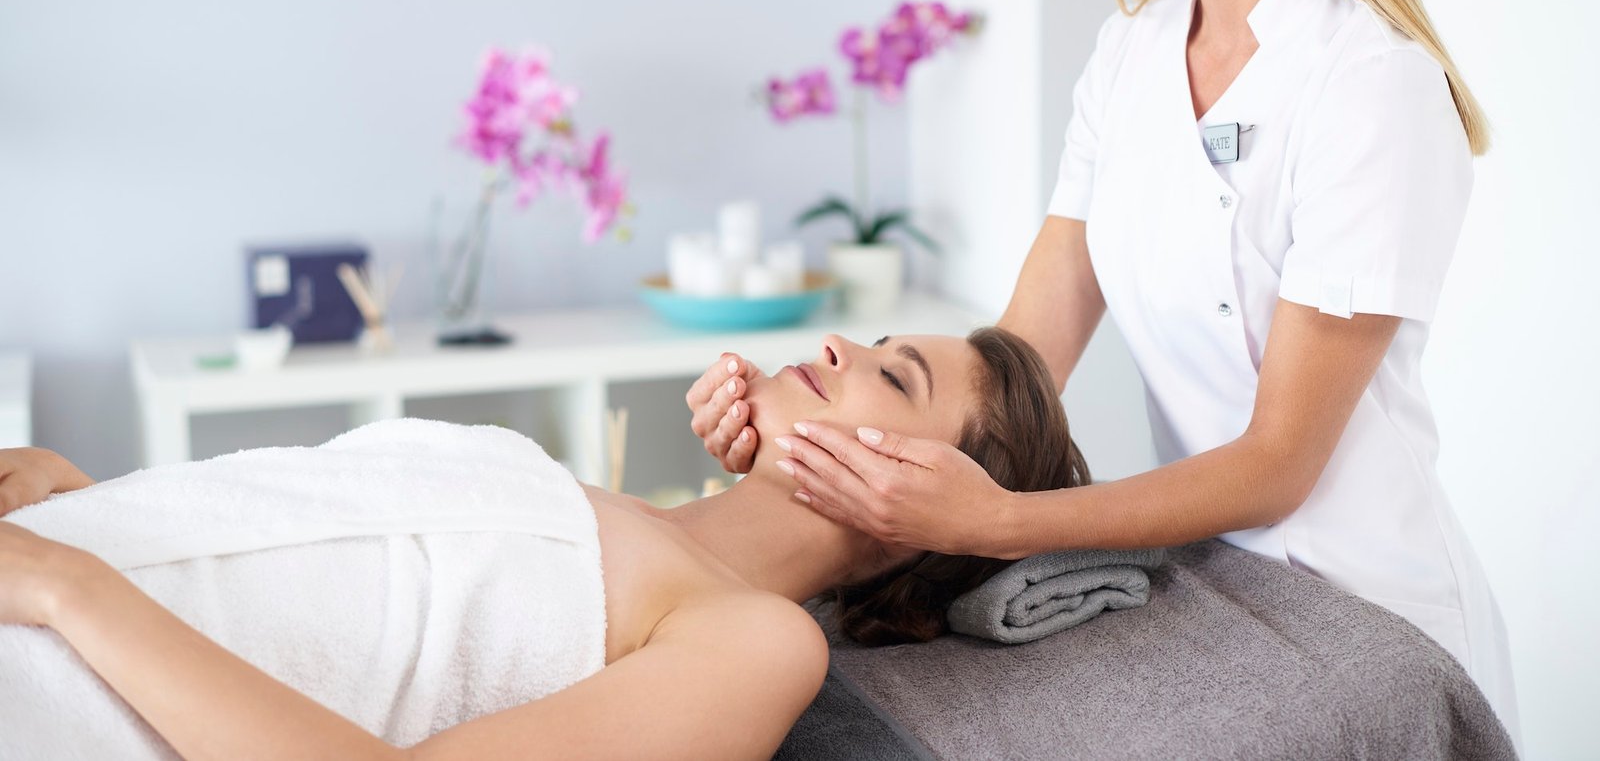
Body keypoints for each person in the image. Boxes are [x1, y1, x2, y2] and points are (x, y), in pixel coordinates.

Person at [686, 0, 1521, 749]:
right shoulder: (1131, 56)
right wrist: (808, 440)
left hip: (1361, 596)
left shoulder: (1370, 83)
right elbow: (1014, 371)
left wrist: (999, 521)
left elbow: (1279, 461)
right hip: (1205, 581)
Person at [0, 326, 1087, 760]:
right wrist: (99, 504)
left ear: (937, 511)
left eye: (895, 375)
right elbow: (319, 559)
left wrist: (75, 588)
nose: (842, 343)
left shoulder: (753, 640)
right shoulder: (590, 502)